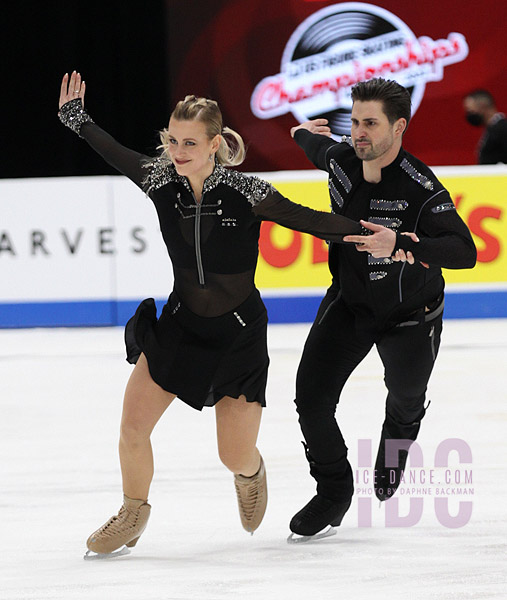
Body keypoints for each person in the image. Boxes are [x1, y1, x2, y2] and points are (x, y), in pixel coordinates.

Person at [58, 71, 365, 557]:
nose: (178, 151)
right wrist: (77, 121)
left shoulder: (246, 190)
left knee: (232, 453)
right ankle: (133, 513)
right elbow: (114, 152)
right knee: (132, 428)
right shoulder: (160, 179)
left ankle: (249, 472)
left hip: (238, 335)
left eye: (189, 142)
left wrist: (375, 235)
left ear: (215, 143)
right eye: (172, 140)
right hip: (179, 327)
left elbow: (311, 220)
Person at [288, 78, 477, 538]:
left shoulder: (421, 186)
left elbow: (465, 251)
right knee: (311, 400)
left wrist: (407, 242)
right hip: (350, 304)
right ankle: (333, 492)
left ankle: (397, 442)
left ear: (399, 127)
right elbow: (313, 145)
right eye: (353, 122)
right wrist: (301, 133)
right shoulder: (341, 162)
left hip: (411, 313)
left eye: (370, 124)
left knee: (406, 399)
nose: (359, 133)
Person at [463, 89, 507, 164]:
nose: (469, 114)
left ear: (483, 106)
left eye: (471, 111)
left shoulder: (503, 129)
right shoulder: (491, 129)